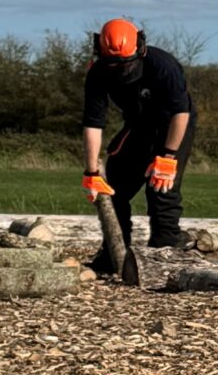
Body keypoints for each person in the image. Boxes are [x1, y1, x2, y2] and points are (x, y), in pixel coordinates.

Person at [82, 18, 196, 267]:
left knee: (161, 187)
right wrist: (91, 171)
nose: (121, 70)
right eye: (113, 64)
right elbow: (93, 123)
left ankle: (165, 253)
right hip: (138, 124)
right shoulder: (98, 73)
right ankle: (114, 255)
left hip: (173, 126)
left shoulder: (163, 65)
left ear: (140, 49)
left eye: (126, 64)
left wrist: (168, 157)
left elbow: (181, 113)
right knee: (113, 186)